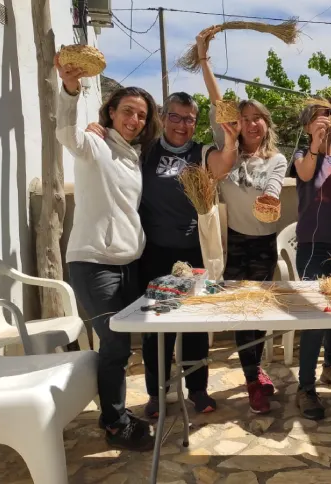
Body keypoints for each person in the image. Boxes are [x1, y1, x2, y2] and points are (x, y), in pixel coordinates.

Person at [85, 90, 240, 420]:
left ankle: (197, 388)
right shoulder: (145, 150)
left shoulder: (200, 152)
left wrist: (229, 140)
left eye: (189, 119)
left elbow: (224, 165)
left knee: (196, 326)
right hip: (154, 253)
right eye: (174, 117)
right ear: (163, 116)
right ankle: (158, 392)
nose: (181, 125)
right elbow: (111, 149)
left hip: (193, 251)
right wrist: (95, 129)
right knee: (158, 328)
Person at [55, 55, 162, 450]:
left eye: (141, 115)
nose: (134, 120)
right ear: (111, 112)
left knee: (121, 344)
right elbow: (67, 132)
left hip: (126, 263)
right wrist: (69, 88)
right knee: (114, 344)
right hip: (93, 263)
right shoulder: (95, 145)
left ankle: (115, 412)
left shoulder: (133, 158)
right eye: (128, 112)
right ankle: (115, 423)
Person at [196, 28, 288, 414]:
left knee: (258, 310)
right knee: (240, 310)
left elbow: (274, 185)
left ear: (266, 124)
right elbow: (218, 100)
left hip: (264, 242)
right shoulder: (226, 150)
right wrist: (204, 59)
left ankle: (256, 370)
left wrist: (271, 197)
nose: (250, 125)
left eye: (257, 119)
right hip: (234, 240)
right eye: (245, 119)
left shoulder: (276, 158)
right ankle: (253, 377)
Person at [292, 100, 331, 420]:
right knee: (316, 316)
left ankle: (330, 367)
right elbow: (304, 173)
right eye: (320, 117)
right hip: (312, 246)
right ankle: (305, 387)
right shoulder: (303, 156)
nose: (327, 121)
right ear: (307, 127)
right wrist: (316, 144)